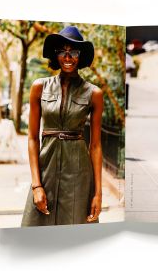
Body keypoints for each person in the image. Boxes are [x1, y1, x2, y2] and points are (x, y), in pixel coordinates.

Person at [21, 26, 103, 226]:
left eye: (73, 52)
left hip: (79, 173)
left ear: (80, 55)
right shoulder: (39, 87)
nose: (68, 57)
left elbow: (96, 146)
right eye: (63, 52)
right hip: (45, 168)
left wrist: (98, 194)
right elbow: (32, 138)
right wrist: (36, 185)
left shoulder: (94, 93)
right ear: (55, 54)